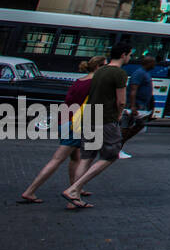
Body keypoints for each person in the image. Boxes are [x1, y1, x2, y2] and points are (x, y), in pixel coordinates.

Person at [17, 57, 103, 204]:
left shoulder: (79, 81)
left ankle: (75, 188)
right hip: (76, 123)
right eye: (105, 66)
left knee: (75, 157)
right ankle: (31, 191)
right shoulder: (94, 83)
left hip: (65, 119)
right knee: (58, 159)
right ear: (98, 67)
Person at [62, 42, 134, 208]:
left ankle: (75, 199)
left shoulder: (99, 71)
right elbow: (121, 101)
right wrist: (118, 117)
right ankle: (73, 190)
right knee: (111, 154)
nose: (130, 57)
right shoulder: (119, 73)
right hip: (106, 118)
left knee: (86, 157)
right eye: (129, 54)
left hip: (89, 116)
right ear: (123, 55)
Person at [121, 56, 157, 148]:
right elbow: (133, 90)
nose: (155, 65)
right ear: (148, 63)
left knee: (137, 125)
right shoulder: (139, 73)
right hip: (136, 104)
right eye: (153, 63)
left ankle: (119, 145)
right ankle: (118, 145)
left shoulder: (145, 73)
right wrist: (133, 106)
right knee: (129, 125)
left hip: (141, 104)